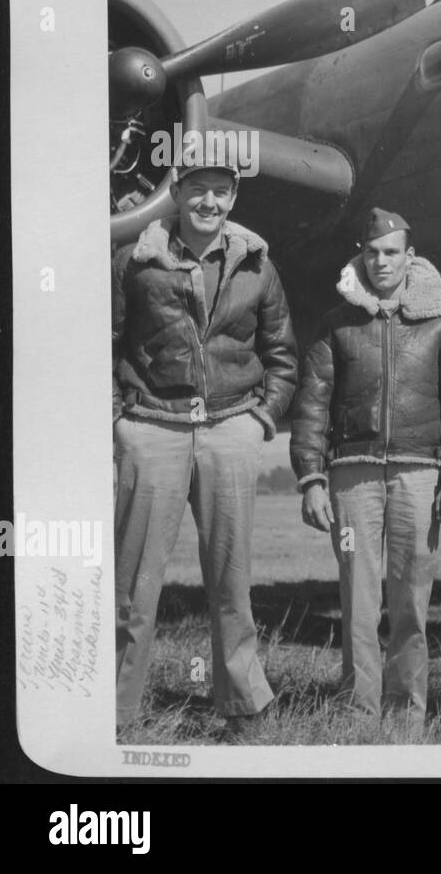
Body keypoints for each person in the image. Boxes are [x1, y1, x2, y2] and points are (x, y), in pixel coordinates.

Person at [112, 152, 297, 737]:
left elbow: (282, 353)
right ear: (177, 190)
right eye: (197, 189)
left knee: (231, 582)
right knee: (133, 586)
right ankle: (114, 712)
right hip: (153, 427)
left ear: (233, 197)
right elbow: (105, 342)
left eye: (220, 190)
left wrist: (262, 419)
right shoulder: (134, 260)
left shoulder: (257, 265)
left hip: (230, 428)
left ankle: (242, 708)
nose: (208, 202)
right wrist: (120, 419)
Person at [290, 208, 441, 731]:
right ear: (362, 256)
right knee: (358, 599)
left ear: (409, 257)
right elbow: (312, 406)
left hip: (419, 475)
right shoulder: (337, 323)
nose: (381, 262)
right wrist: (311, 478)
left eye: (391, 252)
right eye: (372, 252)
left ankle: (405, 715)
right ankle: (358, 712)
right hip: (352, 476)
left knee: (411, 600)